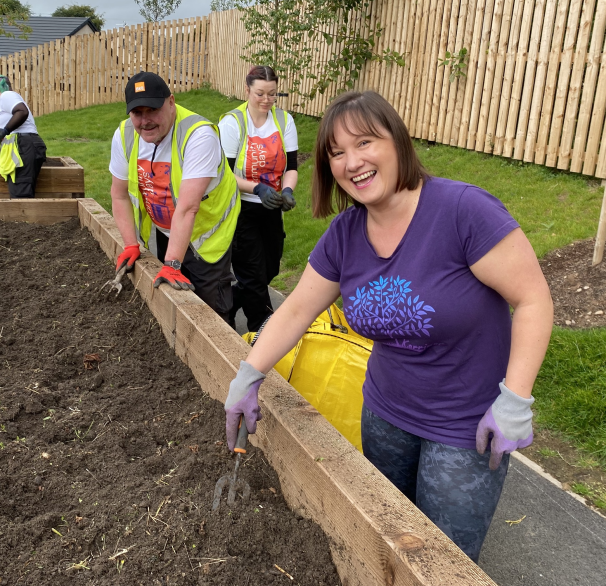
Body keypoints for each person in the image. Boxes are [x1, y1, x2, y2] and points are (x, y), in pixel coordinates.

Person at [223, 90, 553, 562]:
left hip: (464, 426)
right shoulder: (345, 234)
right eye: (336, 152)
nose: (351, 161)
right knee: (392, 542)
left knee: (444, 562)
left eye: (364, 143)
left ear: (396, 141)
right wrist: (248, 374)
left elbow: (533, 299)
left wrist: (516, 399)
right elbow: (297, 310)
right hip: (385, 414)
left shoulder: (463, 212)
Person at [108, 71, 240, 325]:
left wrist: (172, 263)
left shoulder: (198, 135)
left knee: (209, 314)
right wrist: (130, 244)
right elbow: (119, 194)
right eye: (137, 113)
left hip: (207, 236)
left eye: (152, 110)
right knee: (172, 304)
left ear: (171, 102)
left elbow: (189, 207)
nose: (145, 121)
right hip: (167, 228)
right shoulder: (125, 135)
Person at [219, 66, 299, 332]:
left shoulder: (284, 121)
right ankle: (264, 333)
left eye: (272, 94)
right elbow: (225, 176)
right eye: (260, 94)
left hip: (271, 208)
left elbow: (292, 167)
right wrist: (256, 189)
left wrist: (287, 190)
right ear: (247, 90)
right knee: (253, 277)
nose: (266, 100)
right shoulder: (233, 123)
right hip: (241, 209)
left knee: (268, 271)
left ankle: (227, 304)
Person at [0, 75, 47, 198]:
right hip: (25, 145)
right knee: (23, 192)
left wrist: (5, 130)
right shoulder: (9, 99)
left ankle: (24, 218)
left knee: (21, 196)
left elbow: (22, 112)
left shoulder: (6, 95)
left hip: (23, 146)